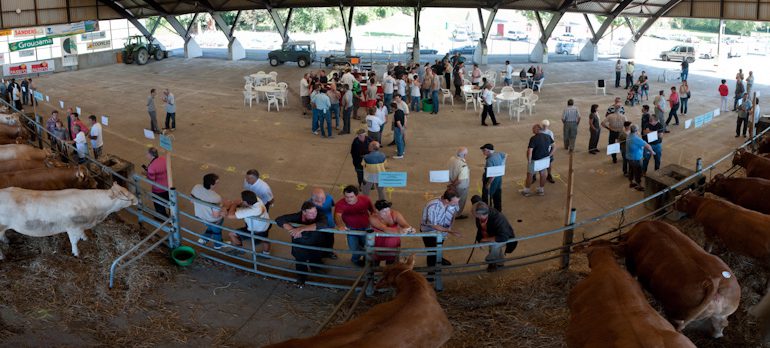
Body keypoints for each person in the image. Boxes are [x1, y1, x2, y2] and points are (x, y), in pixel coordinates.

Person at [275, 202, 329, 286]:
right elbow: (279, 219)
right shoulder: (297, 216)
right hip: (299, 246)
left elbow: (323, 224)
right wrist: (292, 229)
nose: (314, 214)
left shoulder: (320, 216)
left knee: (315, 258)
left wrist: (301, 229)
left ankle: (315, 268)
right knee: (300, 262)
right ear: (303, 212)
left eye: (315, 211)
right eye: (311, 213)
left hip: (315, 244)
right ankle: (301, 278)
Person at [217, 190, 270, 256]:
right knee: (264, 238)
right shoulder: (257, 200)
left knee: (232, 234)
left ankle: (240, 250)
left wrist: (234, 204)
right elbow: (242, 203)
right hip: (265, 225)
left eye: (243, 200)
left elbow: (230, 216)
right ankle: (266, 253)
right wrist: (239, 204)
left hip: (255, 230)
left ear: (247, 202)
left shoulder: (252, 210)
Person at [421, 189, 461, 271]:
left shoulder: (454, 202)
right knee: (432, 252)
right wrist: (450, 231)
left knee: (439, 246)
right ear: (446, 200)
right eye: (454, 202)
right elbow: (434, 225)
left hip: (444, 230)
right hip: (429, 231)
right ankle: (431, 273)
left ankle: (439, 259)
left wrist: (450, 226)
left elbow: (454, 213)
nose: (457, 204)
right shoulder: (433, 206)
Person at [334, 185, 374, 267]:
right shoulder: (340, 204)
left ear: (357, 195)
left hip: (366, 228)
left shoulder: (365, 200)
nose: (348, 199)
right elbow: (337, 216)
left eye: (351, 197)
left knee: (368, 247)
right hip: (351, 229)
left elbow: (373, 211)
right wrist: (340, 225)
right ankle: (355, 260)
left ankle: (366, 260)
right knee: (354, 248)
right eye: (346, 197)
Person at [472, 200, 516, 272]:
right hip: (492, 233)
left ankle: (491, 262)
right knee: (495, 247)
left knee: (494, 246)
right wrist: (479, 239)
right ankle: (500, 263)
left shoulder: (498, 219)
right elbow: (480, 228)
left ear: (481, 215)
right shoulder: (481, 215)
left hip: (504, 236)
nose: (473, 215)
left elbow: (503, 237)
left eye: (474, 214)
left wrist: (484, 240)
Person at [369, 200, 413, 264]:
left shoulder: (395, 214)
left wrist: (409, 229)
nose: (387, 213)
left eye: (388, 210)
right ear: (377, 211)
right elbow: (385, 229)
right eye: (384, 212)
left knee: (391, 265)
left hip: (393, 245)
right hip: (377, 245)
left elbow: (405, 224)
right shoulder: (373, 218)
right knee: (374, 263)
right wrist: (400, 232)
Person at [192, 173, 224, 249]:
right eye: (216, 183)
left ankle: (204, 238)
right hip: (212, 220)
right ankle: (218, 245)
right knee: (217, 230)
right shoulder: (216, 197)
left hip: (200, 216)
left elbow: (192, 201)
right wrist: (223, 210)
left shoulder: (196, 187)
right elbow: (216, 215)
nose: (217, 184)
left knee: (210, 227)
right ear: (211, 184)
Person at [521, 124, 554, 197]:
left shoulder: (533, 138)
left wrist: (529, 160)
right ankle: (541, 190)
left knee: (530, 175)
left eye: (533, 129)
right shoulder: (548, 136)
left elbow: (530, 150)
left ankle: (526, 190)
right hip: (545, 159)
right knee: (543, 174)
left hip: (535, 160)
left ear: (538, 129)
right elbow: (554, 146)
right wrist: (550, 154)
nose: (532, 130)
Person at [309, 187, 336, 259]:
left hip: (329, 225)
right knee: (319, 241)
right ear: (313, 200)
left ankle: (329, 252)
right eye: (320, 201)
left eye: (324, 199)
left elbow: (334, 206)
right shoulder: (309, 204)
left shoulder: (329, 198)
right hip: (318, 226)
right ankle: (319, 254)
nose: (324, 202)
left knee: (330, 239)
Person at [626, 124, 655, 191]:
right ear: (636, 131)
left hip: (629, 158)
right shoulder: (636, 138)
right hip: (636, 158)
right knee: (638, 172)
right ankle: (639, 186)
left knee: (631, 170)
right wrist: (652, 152)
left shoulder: (629, 135)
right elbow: (647, 146)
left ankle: (631, 182)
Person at [143, 147, 168, 218]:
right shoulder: (163, 159)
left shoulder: (151, 167)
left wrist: (146, 175)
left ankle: (162, 218)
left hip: (158, 189)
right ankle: (172, 216)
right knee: (168, 202)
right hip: (167, 186)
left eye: (147, 154)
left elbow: (151, 180)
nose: (146, 155)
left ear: (151, 155)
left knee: (159, 204)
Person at [480, 143, 506, 211]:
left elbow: (492, 175)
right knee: (497, 194)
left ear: (488, 151)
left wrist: (488, 184)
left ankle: (488, 210)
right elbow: (505, 155)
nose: (483, 152)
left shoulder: (489, 161)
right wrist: (502, 166)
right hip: (499, 179)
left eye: (484, 150)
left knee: (488, 196)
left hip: (492, 181)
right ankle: (498, 209)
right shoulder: (498, 154)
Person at [447, 147, 470, 219]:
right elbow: (459, 180)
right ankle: (457, 215)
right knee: (460, 201)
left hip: (451, 181)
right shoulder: (463, 165)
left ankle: (450, 212)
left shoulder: (452, 159)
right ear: (465, 155)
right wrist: (452, 185)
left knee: (452, 199)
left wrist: (451, 184)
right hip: (461, 187)